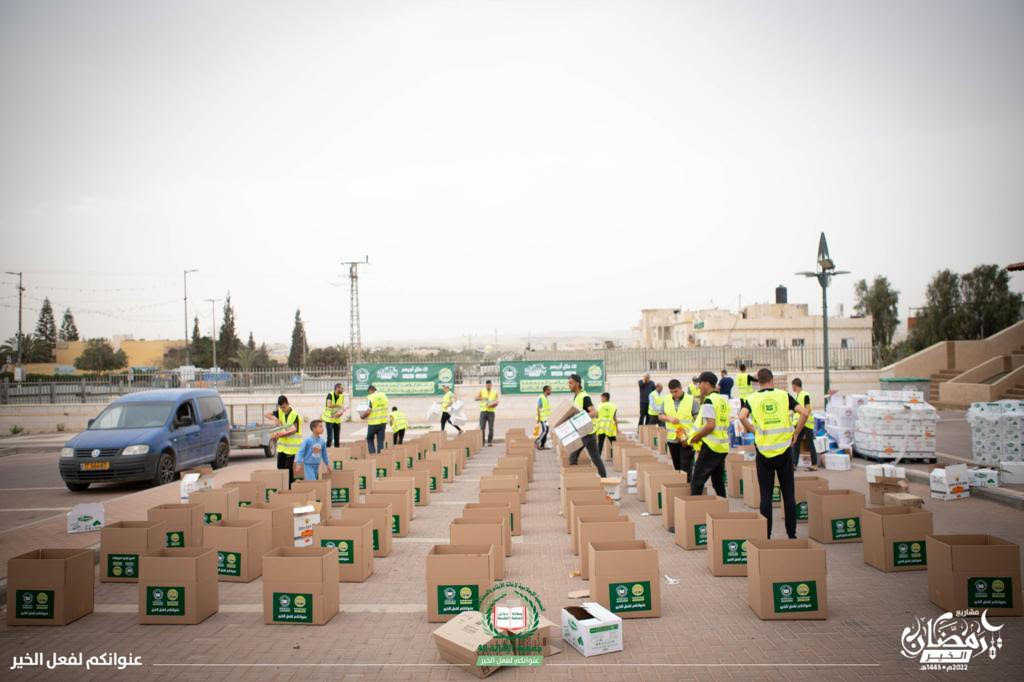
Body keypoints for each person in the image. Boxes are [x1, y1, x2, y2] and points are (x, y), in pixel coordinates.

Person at [738, 368, 809, 539]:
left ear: (758, 381)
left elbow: (741, 417)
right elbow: (805, 412)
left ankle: (766, 536)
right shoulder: (783, 395)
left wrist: (754, 431)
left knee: (766, 497)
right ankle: (791, 535)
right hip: (784, 452)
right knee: (788, 495)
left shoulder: (752, 398)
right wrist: (796, 433)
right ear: (772, 380)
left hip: (763, 454)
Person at [686, 372, 731, 497]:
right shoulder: (722, 400)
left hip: (711, 447)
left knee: (697, 481)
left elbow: (710, 425)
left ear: (706, 383)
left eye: (700, 383)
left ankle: (694, 512)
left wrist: (697, 437)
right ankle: (723, 508)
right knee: (717, 481)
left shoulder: (709, 400)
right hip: (722, 447)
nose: (698, 387)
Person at [567, 373, 607, 477]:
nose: (569, 385)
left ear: (577, 383)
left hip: (588, 434)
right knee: (573, 456)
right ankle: (571, 480)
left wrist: (579, 419)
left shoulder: (584, 397)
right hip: (581, 432)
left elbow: (594, 412)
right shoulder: (576, 396)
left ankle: (604, 479)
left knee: (595, 458)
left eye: (571, 383)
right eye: (568, 383)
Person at [658, 379, 698, 479]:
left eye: (676, 391)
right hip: (672, 439)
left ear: (681, 388)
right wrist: (669, 418)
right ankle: (681, 487)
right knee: (677, 466)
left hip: (687, 439)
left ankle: (688, 487)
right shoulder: (666, 399)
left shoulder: (691, 400)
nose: (674, 394)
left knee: (686, 466)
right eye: (671, 392)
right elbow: (660, 416)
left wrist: (695, 436)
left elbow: (698, 419)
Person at [266, 395, 302, 486]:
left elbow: (294, 430)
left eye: (284, 407)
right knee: (280, 467)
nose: (283, 409)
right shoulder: (280, 412)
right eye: (281, 407)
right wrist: (275, 419)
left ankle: (290, 487)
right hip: (282, 446)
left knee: (288, 468)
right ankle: (284, 485)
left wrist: (280, 434)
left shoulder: (294, 414)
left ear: (287, 403)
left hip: (291, 447)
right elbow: (266, 414)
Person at [790, 378, 817, 471]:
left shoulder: (805, 394)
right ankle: (794, 464)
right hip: (800, 423)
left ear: (795, 385)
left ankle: (814, 464)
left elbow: (808, 408)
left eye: (792, 386)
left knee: (810, 443)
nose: (792, 388)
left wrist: (802, 417)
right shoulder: (797, 396)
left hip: (806, 423)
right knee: (796, 443)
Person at [362, 385, 389, 454]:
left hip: (373, 423)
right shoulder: (383, 396)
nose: (368, 394)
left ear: (370, 390)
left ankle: (373, 456)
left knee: (370, 439)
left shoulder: (370, 397)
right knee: (380, 441)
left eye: (368, 392)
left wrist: (363, 416)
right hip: (382, 423)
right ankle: (380, 458)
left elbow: (368, 410)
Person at [321, 383, 346, 448]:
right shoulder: (330, 395)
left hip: (337, 419)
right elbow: (329, 405)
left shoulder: (342, 396)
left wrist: (341, 412)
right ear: (337, 388)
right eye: (341, 388)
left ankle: (337, 454)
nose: (343, 390)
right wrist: (338, 405)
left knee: (337, 439)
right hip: (329, 419)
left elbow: (342, 407)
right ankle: (326, 452)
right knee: (330, 438)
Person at [595, 392, 618, 460]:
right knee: (613, 442)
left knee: (600, 443)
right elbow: (615, 418)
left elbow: (597, 416)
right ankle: (615, 456)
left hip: (601, 428)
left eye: (601, 397)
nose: (601, 399)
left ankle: (598, 457)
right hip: (610, 427)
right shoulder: (613, 406)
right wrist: (617, 428)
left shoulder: (599, 406)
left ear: (605, 398)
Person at [477, 380, 499, 446]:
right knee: (482, 428)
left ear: (491, 385)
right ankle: (482, 442)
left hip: (491, 412)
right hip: (483, 412)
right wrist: (482, 398)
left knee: (491, 428)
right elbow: (476, 398)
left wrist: (493, 405)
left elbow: (497, 402)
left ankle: (489, 442)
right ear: (485, 385)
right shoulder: (482, 391)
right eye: (487, 385)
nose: (488, 386)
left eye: (489, 385)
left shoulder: (495, 392)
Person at [535, 385, 552, 449]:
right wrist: (539, 418)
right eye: (550, 390)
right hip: (543, 418)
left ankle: (542, 445)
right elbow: (538, 408)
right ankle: (537, 441)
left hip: (546, 418)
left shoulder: (545, 398)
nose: (551, 391)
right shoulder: (541, 397)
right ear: (546, 390)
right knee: (545, 431)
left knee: (546, 431)